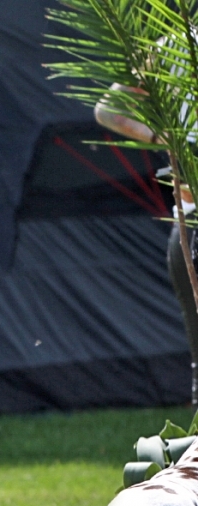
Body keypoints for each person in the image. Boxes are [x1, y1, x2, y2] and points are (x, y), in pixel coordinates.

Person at [96, 85, 198, 405]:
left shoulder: (171, 42)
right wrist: (167, 141)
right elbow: (109, 109)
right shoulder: (174, 43)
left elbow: (108, 110)